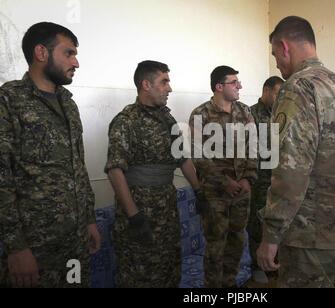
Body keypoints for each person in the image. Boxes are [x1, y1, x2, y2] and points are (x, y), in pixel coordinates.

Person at [257, 16, 335, 288]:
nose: (277, 64)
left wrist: (270, 236)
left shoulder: (297, 88)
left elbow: (290, 171)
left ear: (284, 46)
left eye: (275, 55)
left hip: (310, 236)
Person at [0, 22, 101, 288]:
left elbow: (78, 166)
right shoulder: (9, 100)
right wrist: (16, 247)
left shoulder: (68, 103)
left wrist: (89, 219)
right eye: (69, 53)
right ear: (41, 53)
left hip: (76, 243)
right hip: (35, 250)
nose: (76, 62)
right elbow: (2, 177)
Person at [105, 60, 204, 288]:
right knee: (140, 274)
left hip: (166, 212)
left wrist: (199, 190)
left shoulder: (166, 119)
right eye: (164, 82)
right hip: (141, 213)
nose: (169, 88)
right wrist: (134, 216)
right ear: (146, 84)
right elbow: (115, 170)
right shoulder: (126, 121)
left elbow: (182, 158)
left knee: (169, 268)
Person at [189, 66, 258, 288]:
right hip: (215, 192)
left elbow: (255, 147)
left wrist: (248, 178)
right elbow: (197, 154)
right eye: (234, 82)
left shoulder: (245, 112)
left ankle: (230, 285)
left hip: (242, 191)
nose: (240, 86)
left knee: (237, 241)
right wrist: (223, 182)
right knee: (216, 245)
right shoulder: (201, 114)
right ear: (219, 86)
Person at [248, 76, 283, 284]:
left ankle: (276, 261)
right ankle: (256, 265)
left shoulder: (282, 114)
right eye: (278, 93)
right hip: (259, 179)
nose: (281, 98)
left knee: (278, 220)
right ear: (267, 90)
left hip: (278, 179)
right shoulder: (250, 114)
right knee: (257, 222)